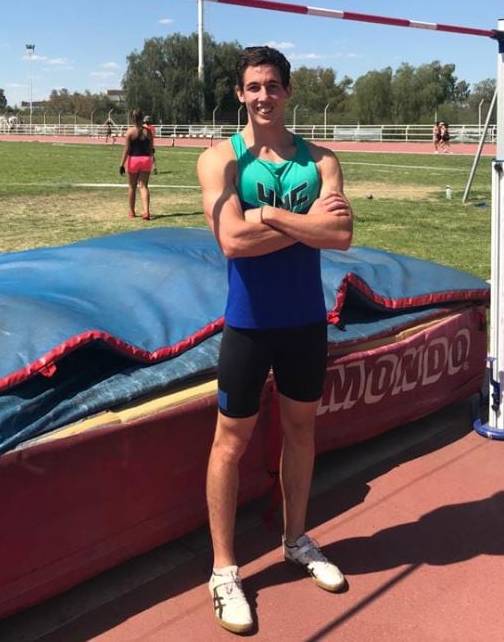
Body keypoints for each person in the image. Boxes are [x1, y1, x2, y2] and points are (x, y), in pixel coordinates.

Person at [197, 45, 353, 634]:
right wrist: (303, 222)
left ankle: (295, 540)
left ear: (288, 92)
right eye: (253, 87)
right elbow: (232, 242)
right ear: (240, 94)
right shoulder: (221, 161)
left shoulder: (322, 159)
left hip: (304, 323)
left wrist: (266, 216)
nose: (264, 95)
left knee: (300, 430)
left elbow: (340, 234)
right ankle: (223, 571)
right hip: (248, 324)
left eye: (273, 86)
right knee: (229, 443)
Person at [119, 109, 153, 220]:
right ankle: (146, 211)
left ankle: (132, 212)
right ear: (142, 118)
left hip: (133, 159)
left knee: (132, 187)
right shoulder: (148, 132)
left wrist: (121, 164)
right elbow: (151, 148)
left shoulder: (130, 132)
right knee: (143, 186)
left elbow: (127, 149)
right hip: (146, 160)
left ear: (132, 118)